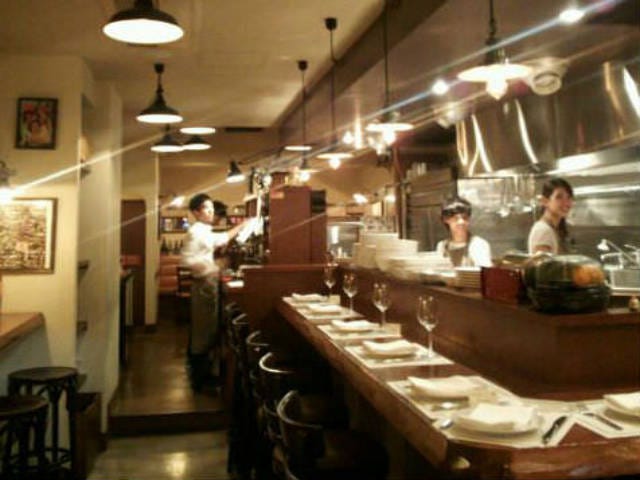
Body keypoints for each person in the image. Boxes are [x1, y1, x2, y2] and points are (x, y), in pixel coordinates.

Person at [181, 193, 251, 390]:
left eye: (212, 208)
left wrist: (241, 226)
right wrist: (212, 268)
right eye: (207, 208)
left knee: (205, 331)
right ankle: (200, 380)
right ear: (196, 212)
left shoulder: (203, 230)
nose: (211, 212)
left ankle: (201, 376)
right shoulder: (196, 232)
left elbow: (221, 238)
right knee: (204, 332)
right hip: (203, 284)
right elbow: (188, 260)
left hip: (206, 283)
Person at [436, 196, 492, 267]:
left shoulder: (479, 244)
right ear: (446, 220)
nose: (461, 222)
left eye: (464, 218)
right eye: (456, 218)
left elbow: (484, 272)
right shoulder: (442, 246)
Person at [528, 178, 574, 255]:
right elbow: (543, 262)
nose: (566, 203)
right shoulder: (543, 230)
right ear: (545, 201)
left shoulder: (551, 228)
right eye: (559, 197)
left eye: (569, 197)